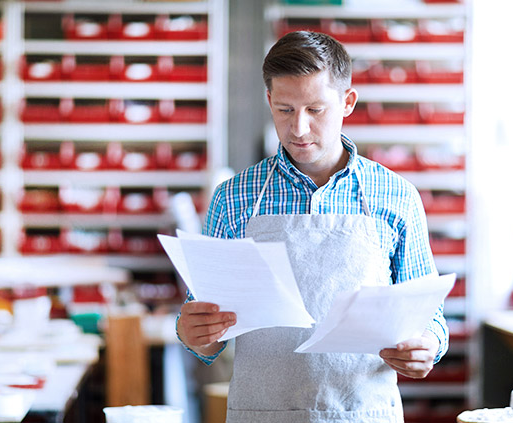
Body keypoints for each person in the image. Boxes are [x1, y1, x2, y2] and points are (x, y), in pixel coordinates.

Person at [176, 31, 448, 423]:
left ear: (347, 102)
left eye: (315, 110)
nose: (299, 129)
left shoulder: (396, 196)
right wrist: (191, 332)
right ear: (269, 100)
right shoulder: (233, 197)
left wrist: (428, 345)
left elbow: (429, 314)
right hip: (262, 414)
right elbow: (200, 320)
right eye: (285, 110)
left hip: (363, 413)